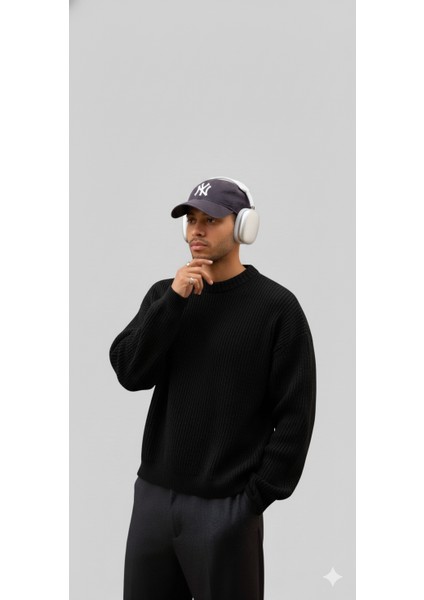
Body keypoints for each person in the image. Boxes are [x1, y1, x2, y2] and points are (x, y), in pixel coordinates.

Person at [109, 176, 317, 600]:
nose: (197, 231)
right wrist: (174, 301)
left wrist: (253, 500)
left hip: (225, 509)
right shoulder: (166, 296)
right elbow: (130, 371)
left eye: (211, 220)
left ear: (243, 227)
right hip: (153, 501)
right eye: (191, 220)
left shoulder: (277, 309)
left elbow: (296, 413)